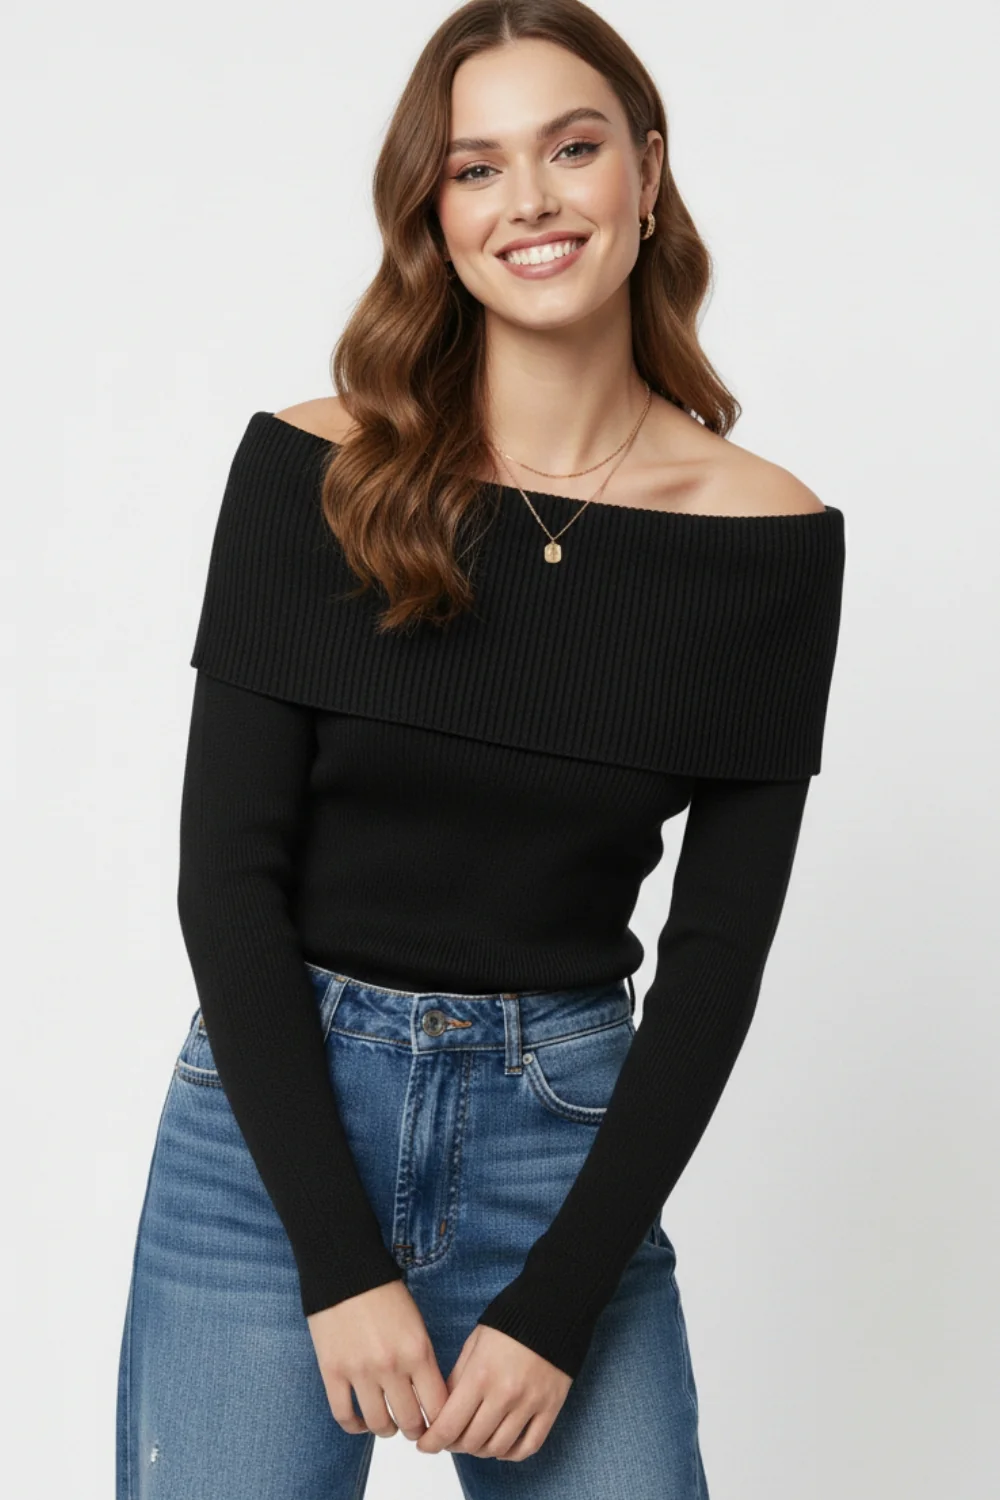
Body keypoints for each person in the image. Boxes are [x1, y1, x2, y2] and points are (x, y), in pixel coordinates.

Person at [115, 3, 845, 1496]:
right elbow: (226, 881)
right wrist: (337, 1259)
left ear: (648, 175)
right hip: (270, 1148)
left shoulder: (767, 539)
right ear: (433, 214)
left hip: (562, 1149)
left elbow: (717, 954)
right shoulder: (314, 472)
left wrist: (561, 1301)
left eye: (572, 150)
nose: (530, 202)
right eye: (475, 167)